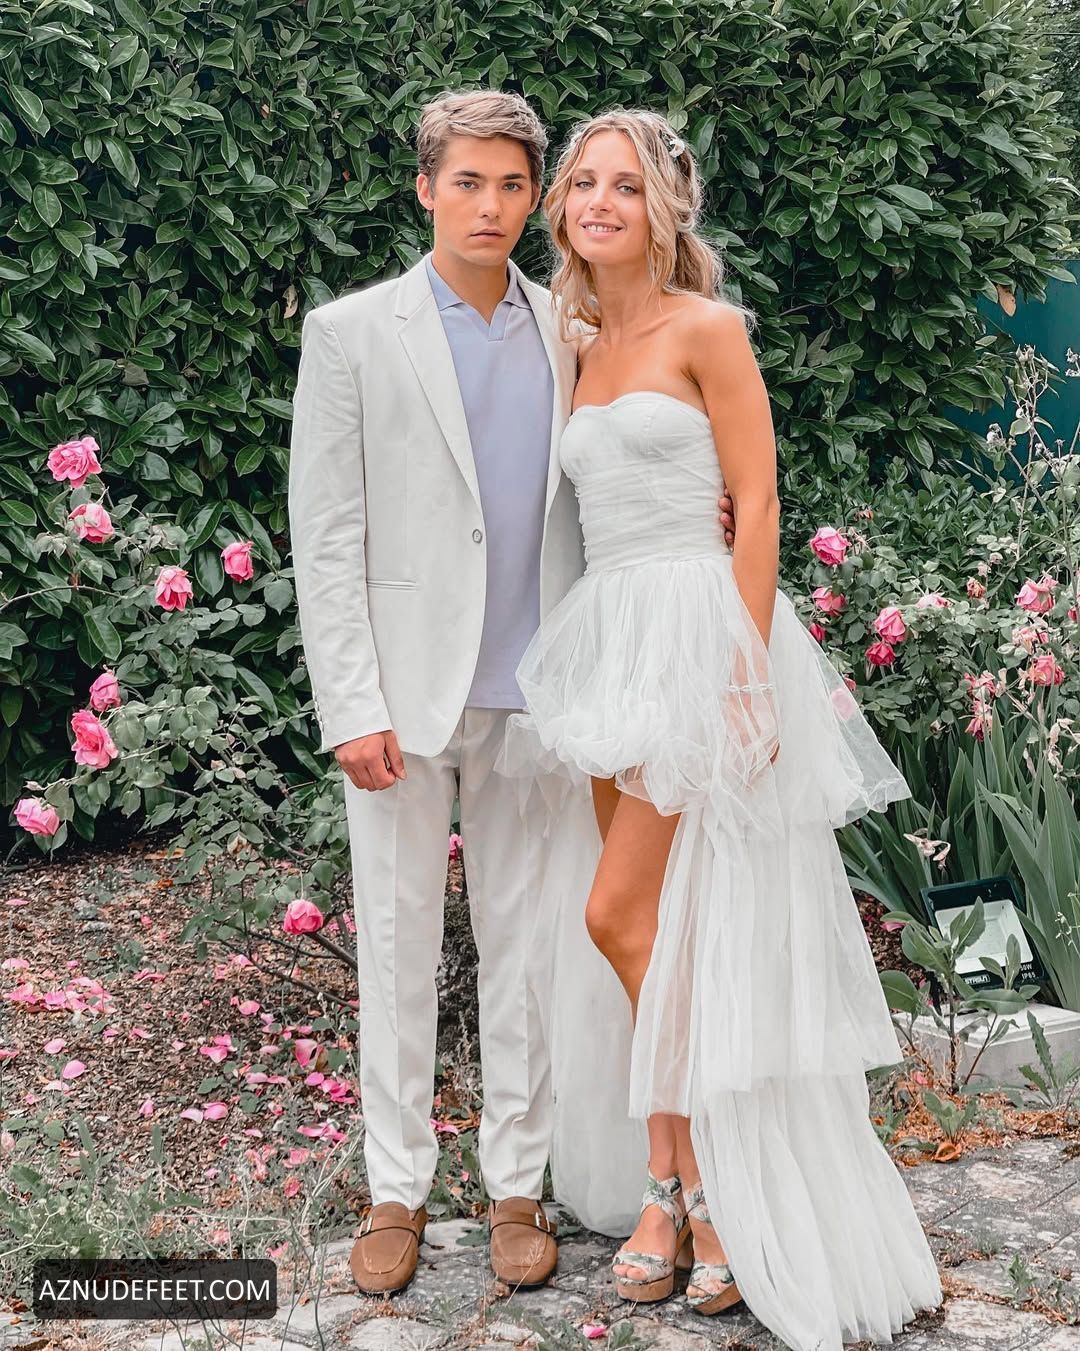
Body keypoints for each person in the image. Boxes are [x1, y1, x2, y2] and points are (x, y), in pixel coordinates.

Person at [495, 109, 944, 1351]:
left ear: (664, 208)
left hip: (700, 632)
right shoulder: (574, 340)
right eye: (582, 183)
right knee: (657, 925)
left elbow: (758, 502)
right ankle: (680, 1186)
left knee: (619, 915)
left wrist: (744, 674)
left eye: (623, 185)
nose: (597, 201)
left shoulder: (709, 329)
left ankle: (702, 1186)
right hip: (609, 637)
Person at [287, 90, 737, 1297]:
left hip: (541, 691)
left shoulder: (569, 327)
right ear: (425, 189)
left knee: (526, 950)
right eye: (466, 182)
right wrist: (351, 703)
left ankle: (515, 1187)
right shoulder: (351, 333)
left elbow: (624, 467)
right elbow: (324, 536)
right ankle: (396, 1189)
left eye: (509, 185)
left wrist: (706, 509)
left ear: (533, 198)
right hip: (399, 700)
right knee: (396, 943)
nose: (488, 205)